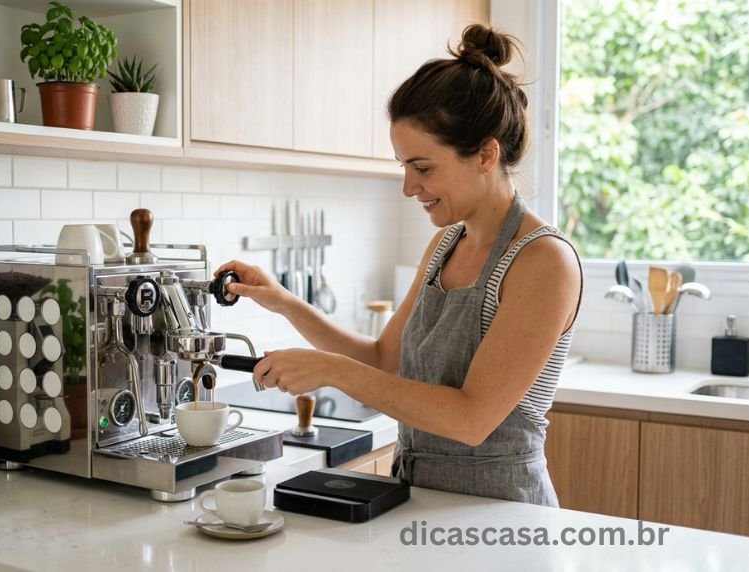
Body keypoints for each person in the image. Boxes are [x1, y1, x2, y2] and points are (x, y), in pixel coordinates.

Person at [215, 24, 582, 507]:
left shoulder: (542, 261)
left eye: (423, 168)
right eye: (403, 166)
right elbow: (386, 359)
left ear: (486, 155)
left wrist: (332, 371)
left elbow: (471, 419)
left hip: (501, 513)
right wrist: (283, 302)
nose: (409, 187)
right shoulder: (446, 244)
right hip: (415, 498)